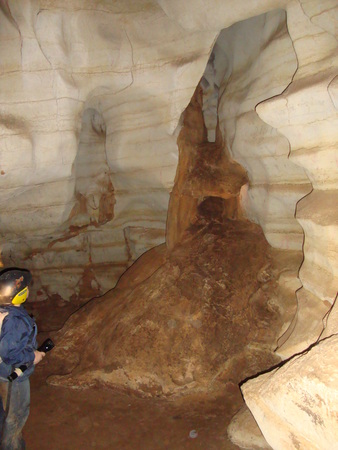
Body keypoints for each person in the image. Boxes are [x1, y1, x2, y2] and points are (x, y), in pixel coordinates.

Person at [0, 268, 45, 449]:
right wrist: (33, 356)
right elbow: (10, 354)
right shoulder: (14, 320)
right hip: (13, 376)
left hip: (2, 372)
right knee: (16, 416)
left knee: (4, 411)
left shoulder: (3, 312)